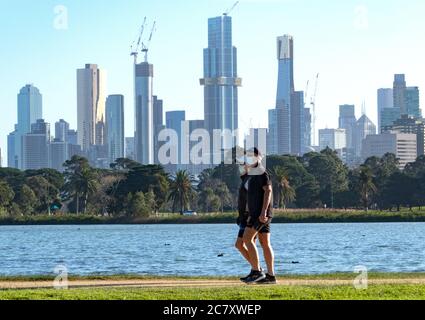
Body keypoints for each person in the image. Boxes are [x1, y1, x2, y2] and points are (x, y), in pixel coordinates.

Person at [241, 148, 276, 284]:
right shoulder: (253, 173)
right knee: (265, 243)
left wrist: (263, 212)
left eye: (252, 156)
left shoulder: (261, 172)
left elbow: (268, 191)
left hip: (261, 214)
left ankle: (256, 271)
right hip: (257, 213)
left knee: (247, 238)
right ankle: (271, 276)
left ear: (259, 157)